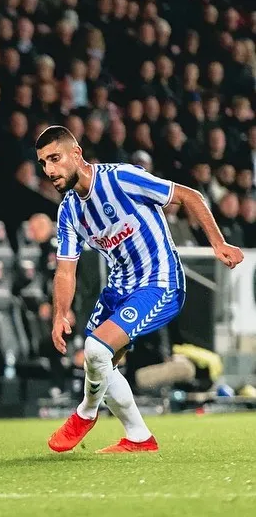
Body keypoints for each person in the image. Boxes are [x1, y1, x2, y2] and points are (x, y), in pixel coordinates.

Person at [35, 125, 243, 453]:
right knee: (100, 362)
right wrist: (60, 313)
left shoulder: (122, 178)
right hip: (119, 287)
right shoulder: (69, 210)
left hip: (159, 283)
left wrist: (218, 244)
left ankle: (86, 413)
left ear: (76, 154)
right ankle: (138, 437)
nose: (49, 170)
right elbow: (65, 270)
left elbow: (190, 195)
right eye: (43, 163)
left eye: (55, 159)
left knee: (96, 349)